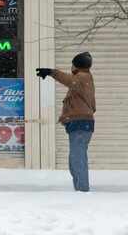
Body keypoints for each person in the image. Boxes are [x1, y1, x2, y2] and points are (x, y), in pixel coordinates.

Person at [36, 52, 96, 192]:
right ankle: (80, 188)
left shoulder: (82, 77)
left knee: (77, 158)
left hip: (81, 124)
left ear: (76, 65)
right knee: (75, 159)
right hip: (80, 123)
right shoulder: (83, 79)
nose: (71, 67)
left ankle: (82, 190)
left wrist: (51, 72)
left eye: (72, 64)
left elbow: (68, 80)